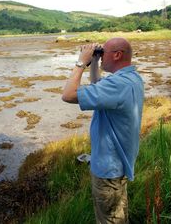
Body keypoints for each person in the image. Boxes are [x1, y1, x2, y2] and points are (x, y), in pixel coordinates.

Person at [62, 37, 144, 224]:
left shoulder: (118, 85)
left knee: (109, 219)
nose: (100, 55)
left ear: (117, 55)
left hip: (108, 168)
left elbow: (68, 95)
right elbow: (98, 85)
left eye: (102, 52)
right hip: (120, 162)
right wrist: (96, 62)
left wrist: (81, 62)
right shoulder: (131, 78)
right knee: (118, 213)